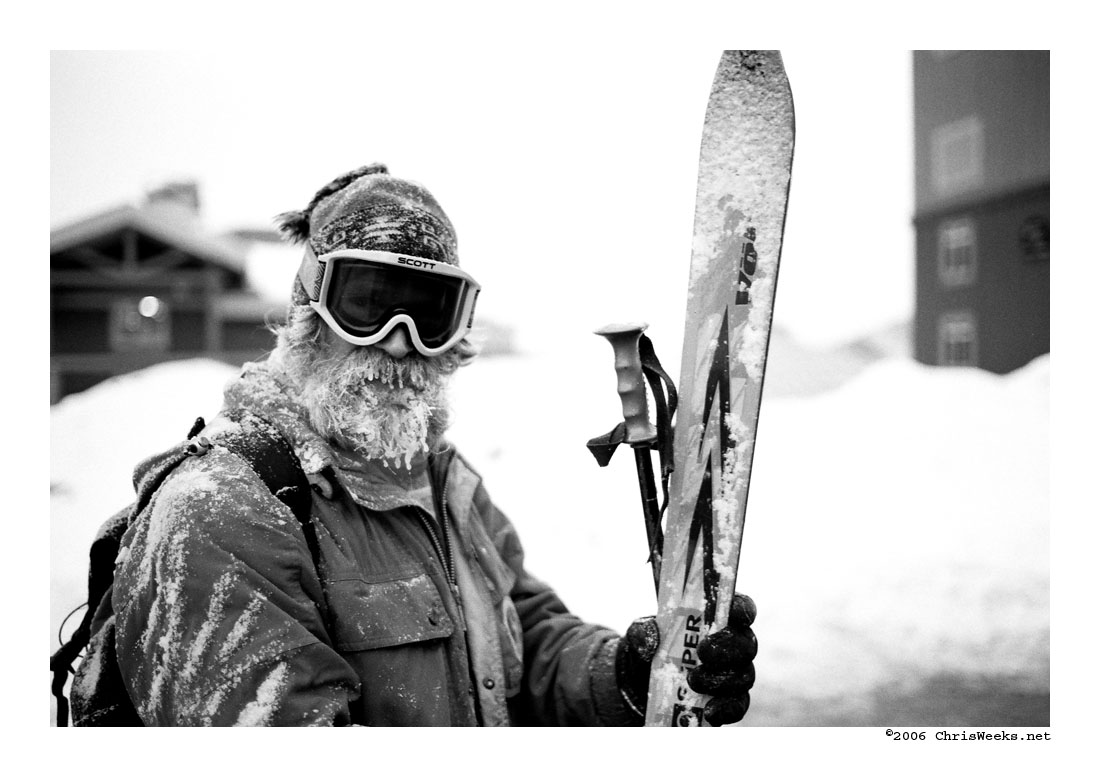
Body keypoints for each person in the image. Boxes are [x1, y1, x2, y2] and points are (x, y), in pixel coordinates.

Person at [86, 164, 757, 726]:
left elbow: (527, 637)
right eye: (367, 304)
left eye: (429, 313)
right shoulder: (223, 512)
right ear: (309, 308)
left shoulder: (440, 481)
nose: (400, 340)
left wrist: (627, 674)